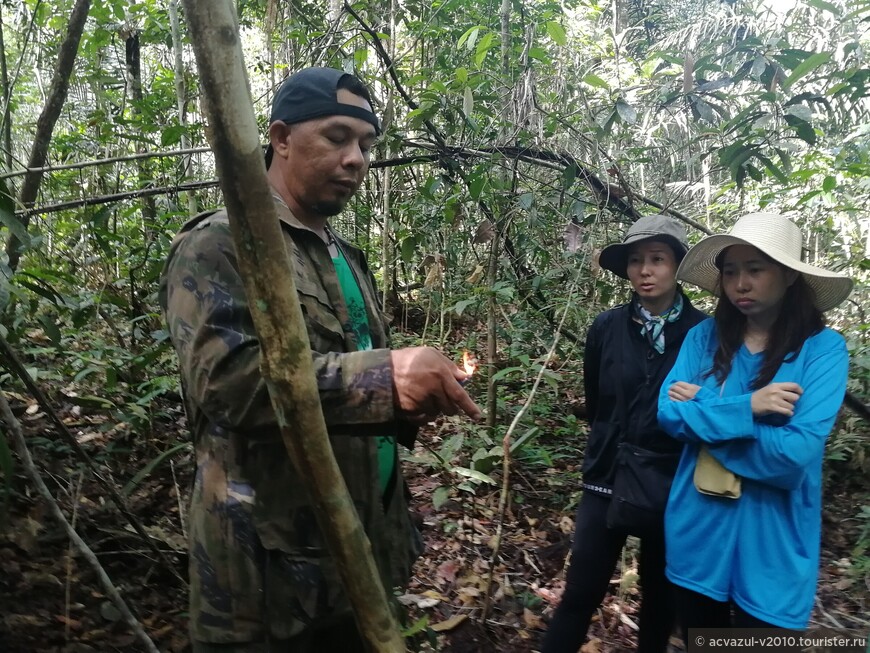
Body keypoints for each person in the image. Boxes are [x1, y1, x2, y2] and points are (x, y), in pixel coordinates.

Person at [158, 67, 481, 653]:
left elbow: (347, 376)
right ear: (281, 138)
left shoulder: (344, 255)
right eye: (336, 137)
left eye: (365, 144)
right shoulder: (220, 244)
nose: (356, 158)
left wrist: (411, 398)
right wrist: (386, 378)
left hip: (358, 555)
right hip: (268, 579)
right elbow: (228, 384)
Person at [658, 212, 853, 631]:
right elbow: (669, 414)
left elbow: (793, 456)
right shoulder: (703, 338)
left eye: (755, 269)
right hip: (698, 534)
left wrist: (706, 410)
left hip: (775, 548)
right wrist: (750, 408)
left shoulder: (822, 351)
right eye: (730, 272)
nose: (740, 284)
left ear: (788, 276)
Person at [543, 215, 707, 653]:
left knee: (659, 601)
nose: (645, 270)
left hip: (671, 481)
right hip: (607, 473)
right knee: (580, 594)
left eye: (657, 259)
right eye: (636, 260)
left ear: (677, 266)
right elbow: (596, 401)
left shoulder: (703, 332)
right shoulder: (606, 327)